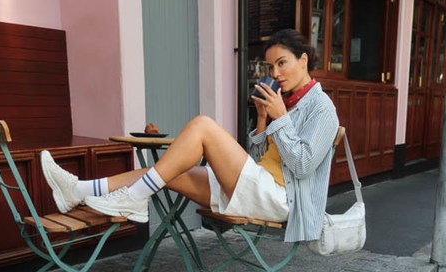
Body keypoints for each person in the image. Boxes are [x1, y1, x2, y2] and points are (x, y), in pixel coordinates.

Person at [41, 29, 339, 241]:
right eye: (271, 66)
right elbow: (257, 160)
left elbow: (302, 166)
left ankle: (133, 198)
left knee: (203, 126)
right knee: (165, 171)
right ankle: (78, 190)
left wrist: (281, 119)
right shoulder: (287, 103)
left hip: (282, 200)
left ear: (303, 60)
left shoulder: (322, 108)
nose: (275, 73)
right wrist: (263, 119)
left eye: (282, 63)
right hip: (257, 187)